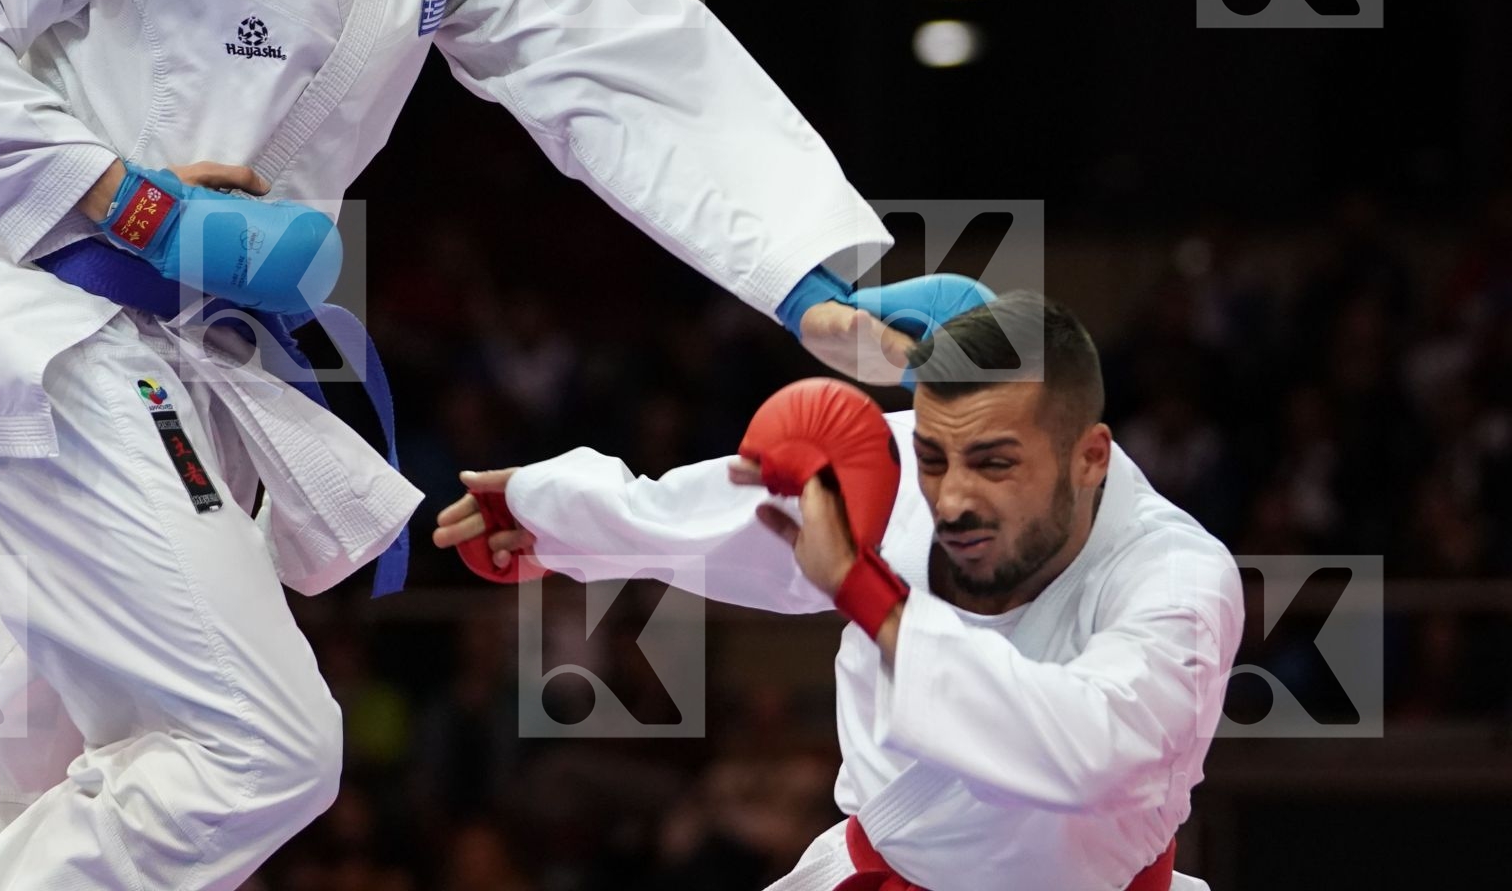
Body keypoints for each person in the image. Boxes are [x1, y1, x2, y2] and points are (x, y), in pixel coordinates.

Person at [0, 0, 954, 885]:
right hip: (72, 343)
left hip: (211, 374)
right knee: (257, 746)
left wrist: (814, 277)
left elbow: (624, 62)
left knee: (25, 776)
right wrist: (132, 202)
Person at [435, 292, 1243, 891]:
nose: (952, 497)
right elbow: (736, 511)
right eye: (934, 456)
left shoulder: (1178, 580)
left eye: (995, 463)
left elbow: (1088, 754)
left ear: (1090, 457)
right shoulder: (903, 464)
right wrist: (551, 519)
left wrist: (868, 595)